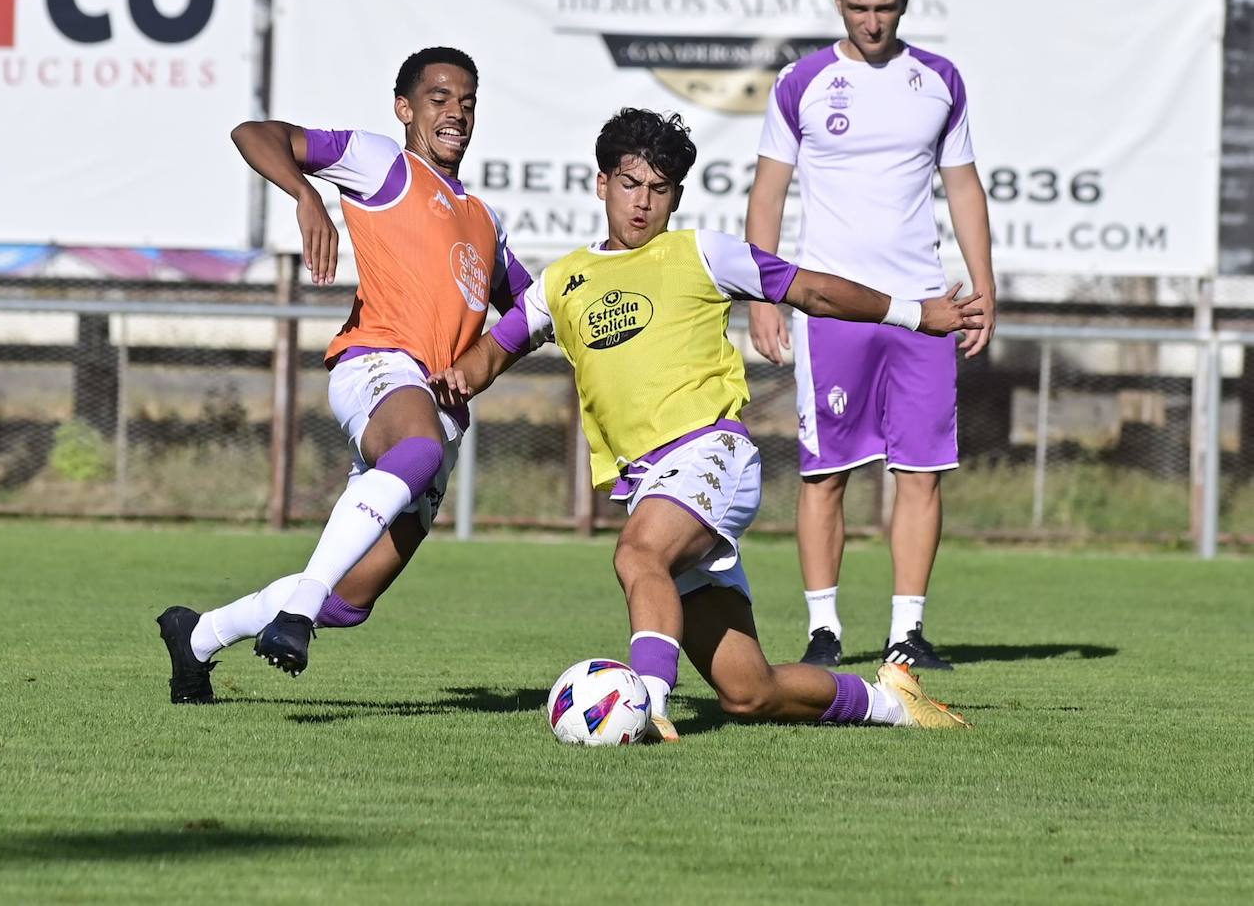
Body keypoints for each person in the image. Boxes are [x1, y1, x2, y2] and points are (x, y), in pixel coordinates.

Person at [432, 108, 981, 740]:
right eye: (630, 184)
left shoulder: (701, 252)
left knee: (638, 553)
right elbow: (493, 351)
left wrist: (917, 313)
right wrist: (447, 382)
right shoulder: (560, 283)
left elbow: (813, 292)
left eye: (659, 189)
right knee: (749, 692)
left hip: (709, 458)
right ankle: (891, 702)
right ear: (601, 183)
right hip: (651, 483)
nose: (642, 203)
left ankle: (645, 703)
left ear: (677, 196)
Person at [155, 46, 532, 703]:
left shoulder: (485, 220)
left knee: (352, 600)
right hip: (379, 365)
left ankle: (198, 637)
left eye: (468, 103)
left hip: (438, 413)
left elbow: (534, 312)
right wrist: (305, 193)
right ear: (405, 107)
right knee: (413, 450)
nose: (456, 113)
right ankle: (297, 607)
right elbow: (255, 134)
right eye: (440, 98)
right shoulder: (384, 163)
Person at [744, 0, 996, 671]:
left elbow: (964, 187)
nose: (873, 20)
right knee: (826, 472)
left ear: (905, 3)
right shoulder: (803, 82)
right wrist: (765, 294)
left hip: (925, 308)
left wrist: (984, 286)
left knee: (920, 470)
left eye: (885, 6)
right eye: (860, 6)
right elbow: (767, 193)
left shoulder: (939, 81)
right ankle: (824, 630)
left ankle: (907, 634)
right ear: (839, 3)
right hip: (831, 309)